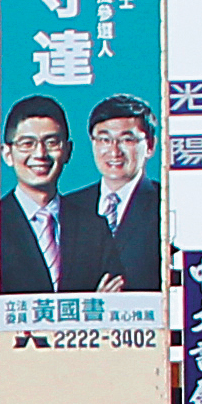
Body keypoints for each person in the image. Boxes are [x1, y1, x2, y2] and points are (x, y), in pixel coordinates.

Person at [61, 94, 166, 293]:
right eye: (104, 139)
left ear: (150, 145)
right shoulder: (68, 207)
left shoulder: (165, 205)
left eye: (127, 140)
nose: (114, 151)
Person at [0, 96, 78, 294]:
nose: (40, 153)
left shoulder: (94, 226)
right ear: (7, 154)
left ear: (67, 151)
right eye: (27, 143)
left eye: (51, 142)